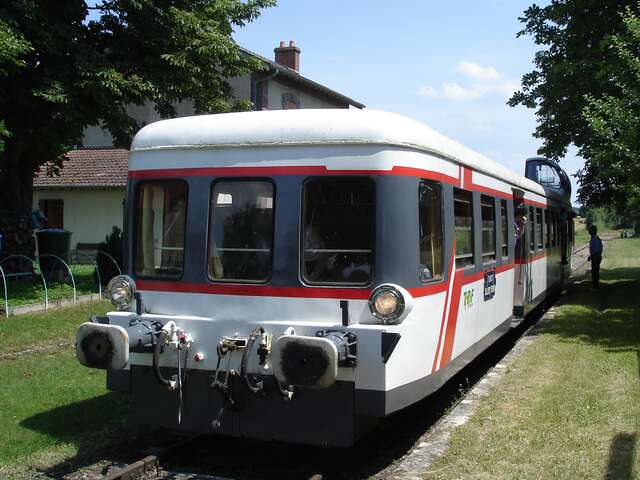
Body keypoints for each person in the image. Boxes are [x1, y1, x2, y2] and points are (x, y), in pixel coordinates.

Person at [587, 225, 603, 289]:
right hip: (596, 256)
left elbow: (595, 250)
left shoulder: (595, 238)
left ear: (593, 231)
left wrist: (591, 256)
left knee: (594, 272)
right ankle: (595, 286)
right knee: (595, 272)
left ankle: (595, 286)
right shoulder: (595, 237)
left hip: (595, 257)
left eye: (590, 230)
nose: (589, 231)